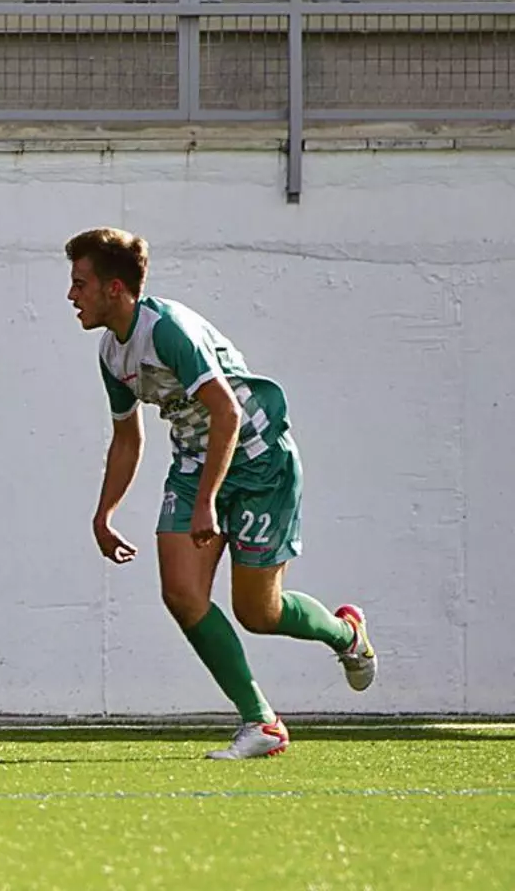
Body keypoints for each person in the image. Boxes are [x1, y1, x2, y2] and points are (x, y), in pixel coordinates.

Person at [65, 227, 377, 760]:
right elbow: (127, 438)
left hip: (259, 462)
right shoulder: (110, 353)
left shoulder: (168, 331)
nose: (72, 295)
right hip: (194, 464)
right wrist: (104, 514)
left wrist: (208, 500)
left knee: (259, 613)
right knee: (181, 593)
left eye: (80, 283)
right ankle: (262, 722)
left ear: (114, 288)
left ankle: (346, 634)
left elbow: (228, 412)